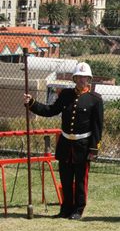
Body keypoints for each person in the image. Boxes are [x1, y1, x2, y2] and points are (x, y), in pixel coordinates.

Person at [23, 62, 104, 220]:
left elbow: (97, 127)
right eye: (79, 77)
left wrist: (94, 149)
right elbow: (50, 110)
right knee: (66, 179)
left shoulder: (95, 99)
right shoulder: (66, 95)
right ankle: (65, 208)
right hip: (66, 144)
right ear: (74, 78)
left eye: (85, 77)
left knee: (80, 180)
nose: (81, 80)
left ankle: (78, 209)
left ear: (89, 79)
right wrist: (32, 103)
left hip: (83, 146)